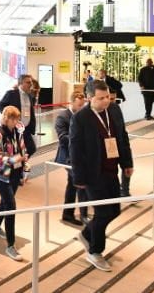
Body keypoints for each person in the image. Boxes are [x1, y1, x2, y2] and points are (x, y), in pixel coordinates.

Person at [70, 80, 133, 272]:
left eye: (107, 97)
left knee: (115, 210)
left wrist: (127, 163)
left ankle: (87, 234)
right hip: (92, 174)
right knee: (103, 212)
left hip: (112, 170)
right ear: (89, 98)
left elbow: (122, 136)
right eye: (101, 98)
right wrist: (78, 178)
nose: (106, 101)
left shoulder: (114, 110)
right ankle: (95, 252)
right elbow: (75, 149)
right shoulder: (80, 118)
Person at [0, 106, 29, 262]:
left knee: (5, 201)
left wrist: (26, 170)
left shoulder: (17, 132)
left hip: (14, 174)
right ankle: (10, 245)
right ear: (6, 118)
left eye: (17, 118)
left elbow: (23, 151)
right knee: (11, 206)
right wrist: (14, 159)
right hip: (1, 175)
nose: (16, 121)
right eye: (13, 118)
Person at [54, 92, 88, 226]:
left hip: (80, 156)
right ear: (72, 102)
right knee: (80, 183)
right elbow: (62, 138)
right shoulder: (62, 117)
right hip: (67, 157)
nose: (81, 107)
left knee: (73, 185)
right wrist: (81, 139)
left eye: (83, 105)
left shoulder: (83, 116)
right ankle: (83, 214)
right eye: (79, 105)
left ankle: (68, 214)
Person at [0, 74, 37, 156]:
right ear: (21, 83)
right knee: (15, 150)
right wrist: (9, 116)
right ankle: (17, 164)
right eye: (28, 82)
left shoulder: (30, 96)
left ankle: (21, 163)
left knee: (31, 148)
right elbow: (0, 105)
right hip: (14, 128)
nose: (31, 85)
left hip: (26, 129)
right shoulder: (11, 94)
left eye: (31, 82)